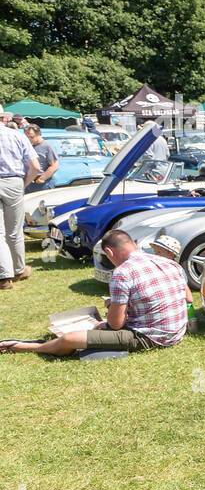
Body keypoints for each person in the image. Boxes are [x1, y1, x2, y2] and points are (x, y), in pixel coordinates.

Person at [2, 230, 188, 355]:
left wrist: (112, 308)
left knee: (70, 338)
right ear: (134, 243)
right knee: (96, 326)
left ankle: (31, 347)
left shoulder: (122, 273)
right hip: (176, 332)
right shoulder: (170, 263)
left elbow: (116, 325)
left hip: (151, 337)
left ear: (109, 251)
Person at [0, 112, 39, 290]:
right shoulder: (16, 135)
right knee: (14, 231)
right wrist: (23, 184)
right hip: (14, 181)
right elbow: (35, 167)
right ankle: (18, 270)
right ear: (4, 119)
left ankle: (4, 276)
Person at [25, 125, 59, 192]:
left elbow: (54, 166)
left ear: (38, 134)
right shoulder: (29, 146)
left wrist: (42, 178)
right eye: (27, 136)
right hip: (29, 183)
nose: (29, 139)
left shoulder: (47, 146)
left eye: (31, 136)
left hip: (43, 184)